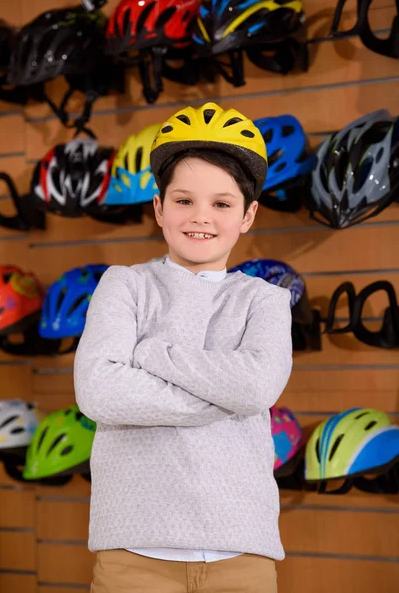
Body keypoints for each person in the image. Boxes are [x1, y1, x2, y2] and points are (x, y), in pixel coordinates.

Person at [74, 101, 293, 592]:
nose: (201, 218)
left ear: (248, 214)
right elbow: (98, 392)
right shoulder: (124, 285)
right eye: (183, 200)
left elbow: (256, 388)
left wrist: (151, 355)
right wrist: (222, 394)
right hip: (133, 554)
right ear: (158, 207)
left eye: (221, 203)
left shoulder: (266, 301)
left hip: (242, 554)